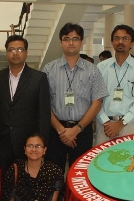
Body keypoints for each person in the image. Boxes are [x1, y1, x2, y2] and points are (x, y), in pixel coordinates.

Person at [43, 23, 108, 174]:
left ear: (81, 41)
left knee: (79, 175)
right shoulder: (49, 69)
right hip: (55, 131)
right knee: (53, 175)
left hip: (82, 131)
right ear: (60, 42)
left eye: (75, 39)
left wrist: (77, 129)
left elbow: (97, 103)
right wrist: (61, 131)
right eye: (66, 39)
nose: (71, 42)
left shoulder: (92, 70)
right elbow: (44, 104)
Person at [0, 35, 50, 173]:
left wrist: (41, 145)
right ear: (6, 53)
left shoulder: (38, 78)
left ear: (26, 53)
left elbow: (44, 114)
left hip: (28, 144)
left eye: (20, 49)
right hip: (1, 143)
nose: (15, 53)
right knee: (3, 181)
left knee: (27, 181)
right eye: (11, 49)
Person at [95, 24, 134, 145]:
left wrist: (121, 123)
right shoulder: (101, 67)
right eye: (117, 38)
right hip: (104, 125)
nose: (120, 41)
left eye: (125, 38)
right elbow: (96, 99)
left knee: (129, 157)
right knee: (102, 157)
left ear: (132, 43)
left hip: (128, 124)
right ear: (112, 42)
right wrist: (105, 122)